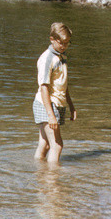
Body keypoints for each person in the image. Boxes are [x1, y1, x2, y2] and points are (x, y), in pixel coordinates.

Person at [33, 22, 77, 163]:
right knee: (57, 145)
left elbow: (63, 84)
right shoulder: (47, 59)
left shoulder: (62, 56)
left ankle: (40, 172)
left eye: (67, 43)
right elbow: (44, 87)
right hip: (47, 104)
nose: (64, 46)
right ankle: (53, 180)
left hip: (57, 103)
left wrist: (71, 105)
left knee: (45, 144)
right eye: (61, 43)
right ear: (52, 39)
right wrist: (51, 115)